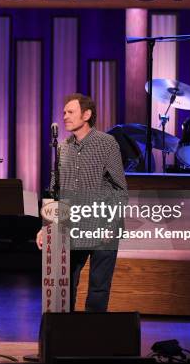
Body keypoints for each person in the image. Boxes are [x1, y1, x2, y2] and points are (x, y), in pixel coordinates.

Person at [36, 93, 128, 311]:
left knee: (98, 288)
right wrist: (46, 228)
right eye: (64, 112)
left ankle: (92, 338)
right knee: (65, 285)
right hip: (73, 226)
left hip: (102, 225)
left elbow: (120, 188)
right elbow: (55, 192)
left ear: (86, 114)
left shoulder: (106, 143)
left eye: (70, 112)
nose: (65, 116)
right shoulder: (63, 147)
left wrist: (111, 224)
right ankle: (67, 336)